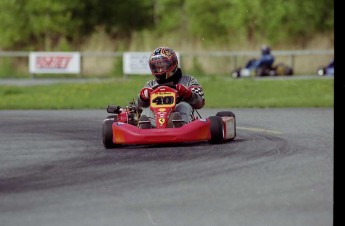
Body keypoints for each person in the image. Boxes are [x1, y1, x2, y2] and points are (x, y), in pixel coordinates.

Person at [137, 47, 205, 129]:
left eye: (163, 66)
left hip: (178, 112)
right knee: (147, 110)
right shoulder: (151, 84)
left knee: (184, 105)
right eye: (156, 67)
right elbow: (141, 104)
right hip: (157, 116)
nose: (159, 70)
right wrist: (143, 97)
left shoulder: (188, 80)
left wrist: (187, 93)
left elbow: (200, 102)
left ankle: (180, 125)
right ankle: (147, 127)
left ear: (172, 64)